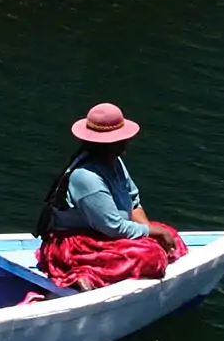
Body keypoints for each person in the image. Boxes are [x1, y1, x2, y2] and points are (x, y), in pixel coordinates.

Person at [36, 101, 188, 290]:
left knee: (172, 237)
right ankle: (82, 274)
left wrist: (149, 230)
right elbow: (112, 227)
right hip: (77, 244)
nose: (126, 144)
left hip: (107, 233)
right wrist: (151, 233)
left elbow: (133, 201)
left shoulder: (115, 163)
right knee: (152, 256)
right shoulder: (86, 178)